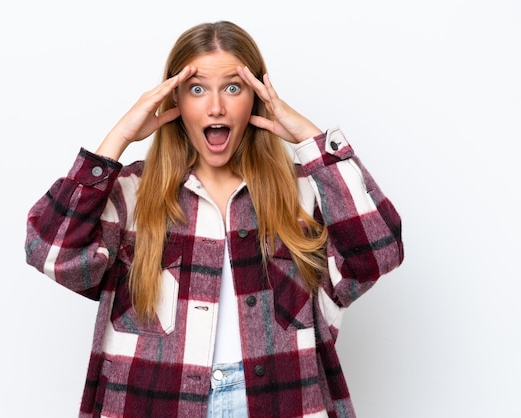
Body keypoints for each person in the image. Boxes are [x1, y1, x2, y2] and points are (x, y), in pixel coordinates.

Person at [25, 20, 403, 418]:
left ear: (256, 98)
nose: (216, 106)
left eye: (233, 88)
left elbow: (378, 253)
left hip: (281, 402)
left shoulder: (303, 192)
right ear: (175, 101)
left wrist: (312, 140)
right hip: (153, 402)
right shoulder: (131, 192)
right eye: (197, 88)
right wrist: (118, 138)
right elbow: (51, 253)